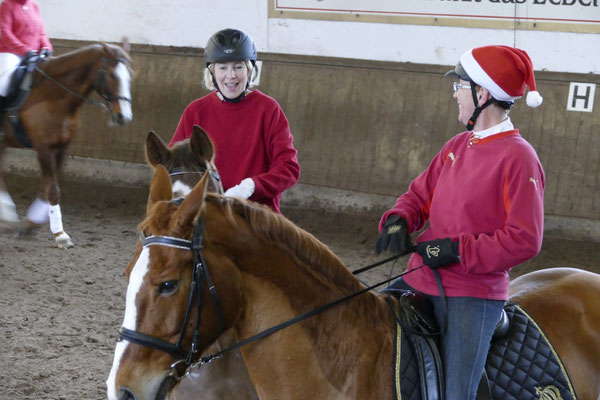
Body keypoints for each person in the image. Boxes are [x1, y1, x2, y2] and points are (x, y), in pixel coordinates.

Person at [375, 45, 545, 399]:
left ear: (481, 93)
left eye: (459, 86)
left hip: (472, 294)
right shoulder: (457, 145)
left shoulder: (519, 158)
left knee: (455, 395)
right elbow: (419, 195)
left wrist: (456, 250)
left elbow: (524, 239)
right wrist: (398, 219)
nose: (454, 93)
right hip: (419, 277)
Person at [169, 28, 300, 213]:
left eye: (238, 66)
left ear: (249, 69)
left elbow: (288, 168)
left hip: (257, 214)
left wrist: (250, 187)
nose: (231, 75)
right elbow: (173, 167)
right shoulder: (195, 112)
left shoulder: (268, 109)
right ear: (212, 72)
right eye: (223, 67)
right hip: (208, 215)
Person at [0, 0, 53, 98]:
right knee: (3, 83)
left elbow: (41, 33)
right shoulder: (7, 4)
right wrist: (24, 51)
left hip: (34, 55)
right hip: (11, 53)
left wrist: (46, 47)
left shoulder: (34, 6)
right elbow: (6, 34)